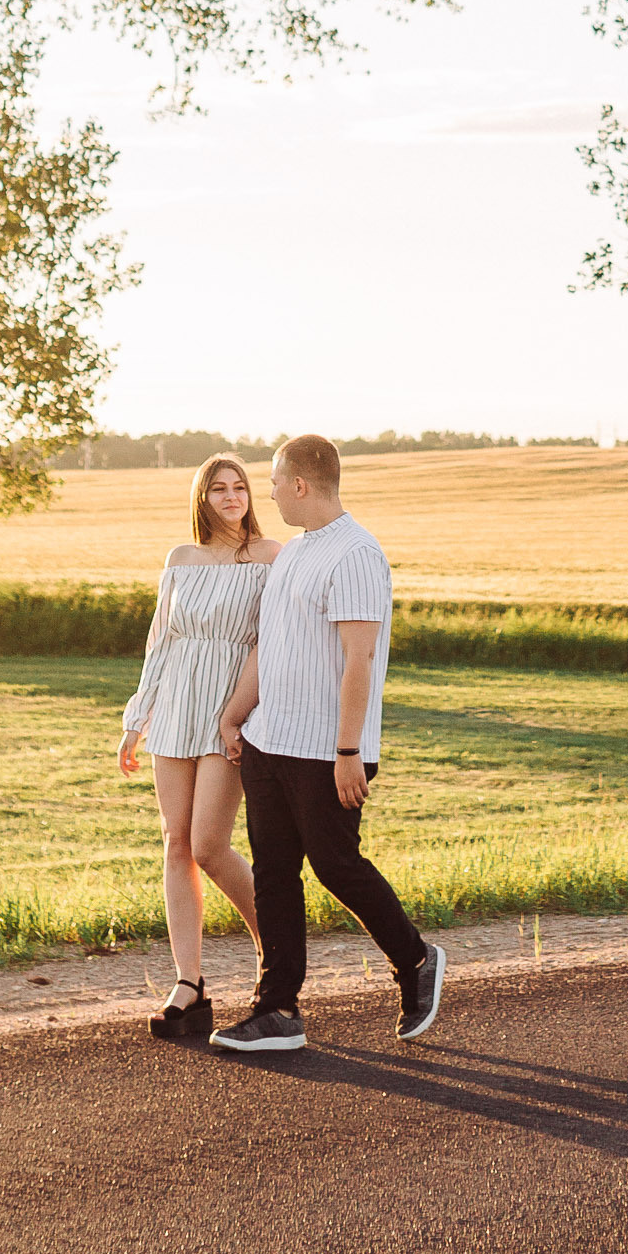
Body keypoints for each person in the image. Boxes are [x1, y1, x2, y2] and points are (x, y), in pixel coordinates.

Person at [209, 434, 445, 1055]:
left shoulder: (357, 555)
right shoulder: (293, 554)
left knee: (337, 866)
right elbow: (271, 645)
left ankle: (416, 961)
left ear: (301, 484)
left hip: (326, 752)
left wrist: (348, 752)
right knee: (274, 874)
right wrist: (236, 717)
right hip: (269, 742)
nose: (269, 493)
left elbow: (359, 659)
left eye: (274, 482)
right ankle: (278, 1010)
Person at [118, 452, 278, 1046]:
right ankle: (189, 986)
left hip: (230, 710)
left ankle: (277, 954)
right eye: (220, 488)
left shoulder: (269, 556)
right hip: (176, 705)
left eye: (240, 487)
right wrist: (137, 718)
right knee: (176, 842)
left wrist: (240, 712)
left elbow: (271, 642)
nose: (232, 496)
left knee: (210, 845)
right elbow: (161, 642)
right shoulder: (180, 559)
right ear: (202, 498)